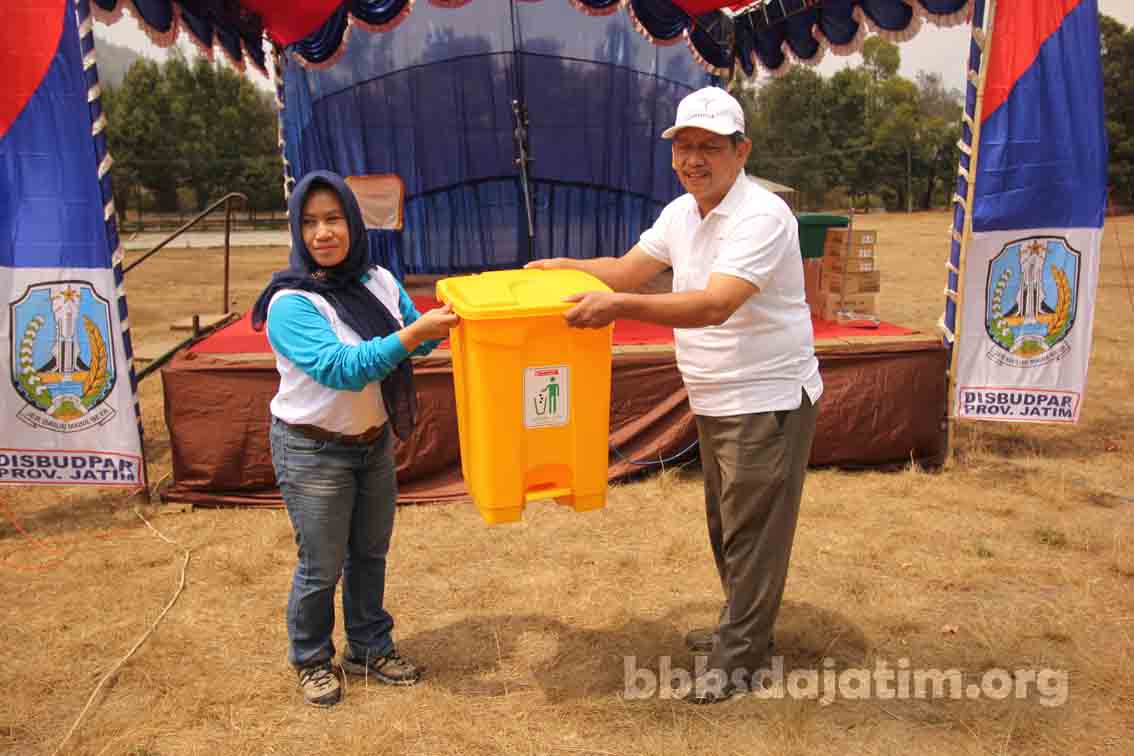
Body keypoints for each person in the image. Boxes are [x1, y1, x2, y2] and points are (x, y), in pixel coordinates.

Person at [525, 86, 822, 703]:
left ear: (741, 152)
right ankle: (742, 631)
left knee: (754, 533)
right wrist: (567, 268)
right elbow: (627, 268)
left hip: (763, 399)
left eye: (708, 147)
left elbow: (715, 305)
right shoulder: (681, 213)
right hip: (714, 396)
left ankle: (739, 658)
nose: (693, 159)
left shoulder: (763, 215)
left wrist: (618, 307)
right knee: (727, 525)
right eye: (683, 146)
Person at [251, 170, 459, 707]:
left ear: (352, 222)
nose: (324, 232)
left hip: (372, 443)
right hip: (312, 449)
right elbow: (342, 368)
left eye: (334, 218)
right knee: (320, 565)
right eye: (310, 222)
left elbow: (414, 345)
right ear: (297, 232)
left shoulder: (378, 281)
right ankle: (311, 658)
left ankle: (368, 646)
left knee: (369, 554)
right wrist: (413, 334)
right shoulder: (291, 303)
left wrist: (456, 321)